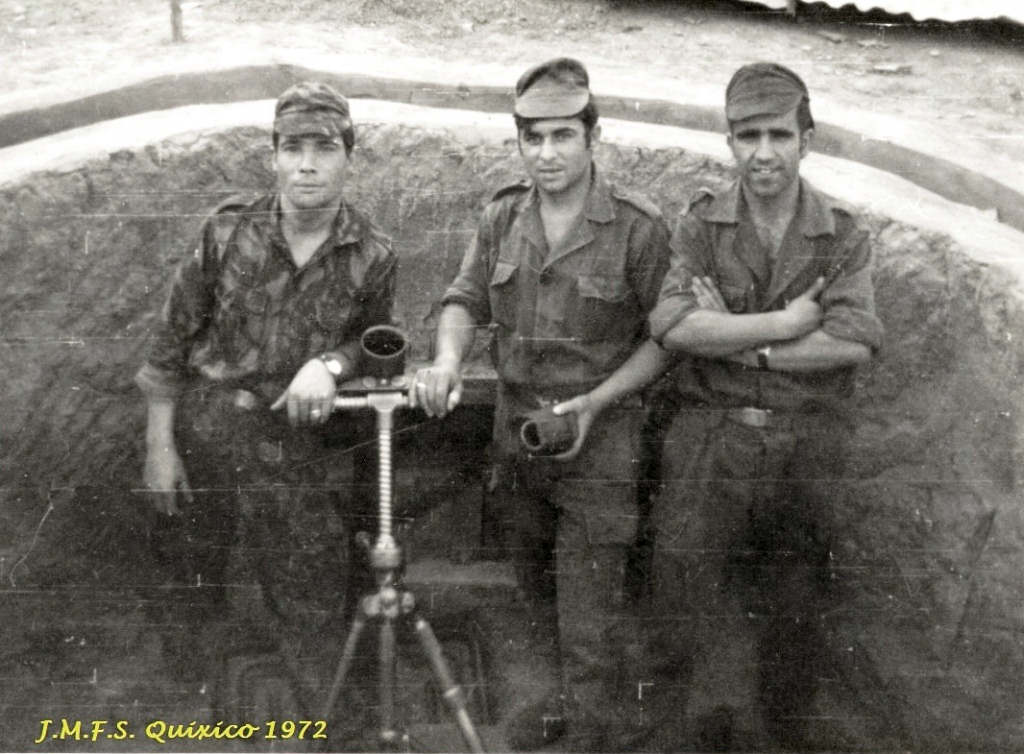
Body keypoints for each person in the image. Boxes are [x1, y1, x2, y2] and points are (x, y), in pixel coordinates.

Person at [412, 57, 672, 750]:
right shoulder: (503, 216)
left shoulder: (637, 228)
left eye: (563, 136)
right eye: (533, 138)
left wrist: (596, 402)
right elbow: (464, 300)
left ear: (593, 136)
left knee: (591, 616)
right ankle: (570, 707)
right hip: (519, 440)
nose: (547, 153)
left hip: (601, 442)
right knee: (537, 590)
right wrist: (447, 359)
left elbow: (667, 340)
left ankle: (595, 734)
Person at [645, 62, 885, 750]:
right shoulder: (703, 225)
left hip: (803, 446)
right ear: (729, 142)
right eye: (747, 136)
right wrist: (783, 325)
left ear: (807, 138)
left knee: (794, 610)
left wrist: (740, 345)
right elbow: (672, 324)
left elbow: (853, 340)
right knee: (684, 601)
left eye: (779, 134)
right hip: (710, 441)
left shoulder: (841, 234)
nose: (763, 153)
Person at [136, 81, 396, 679]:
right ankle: (196, 706)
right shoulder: (227, 231)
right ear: (273, 155)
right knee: (189, 595)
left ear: (349, 156)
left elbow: (376, 342)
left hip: (292, 449)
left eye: (325, 148)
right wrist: (159, 447)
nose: (307, 164)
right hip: (207, 438)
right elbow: (171, 342)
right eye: (292, 147)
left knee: (312, 605)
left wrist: (330, 365)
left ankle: (318, 716)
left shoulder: (373, 254)